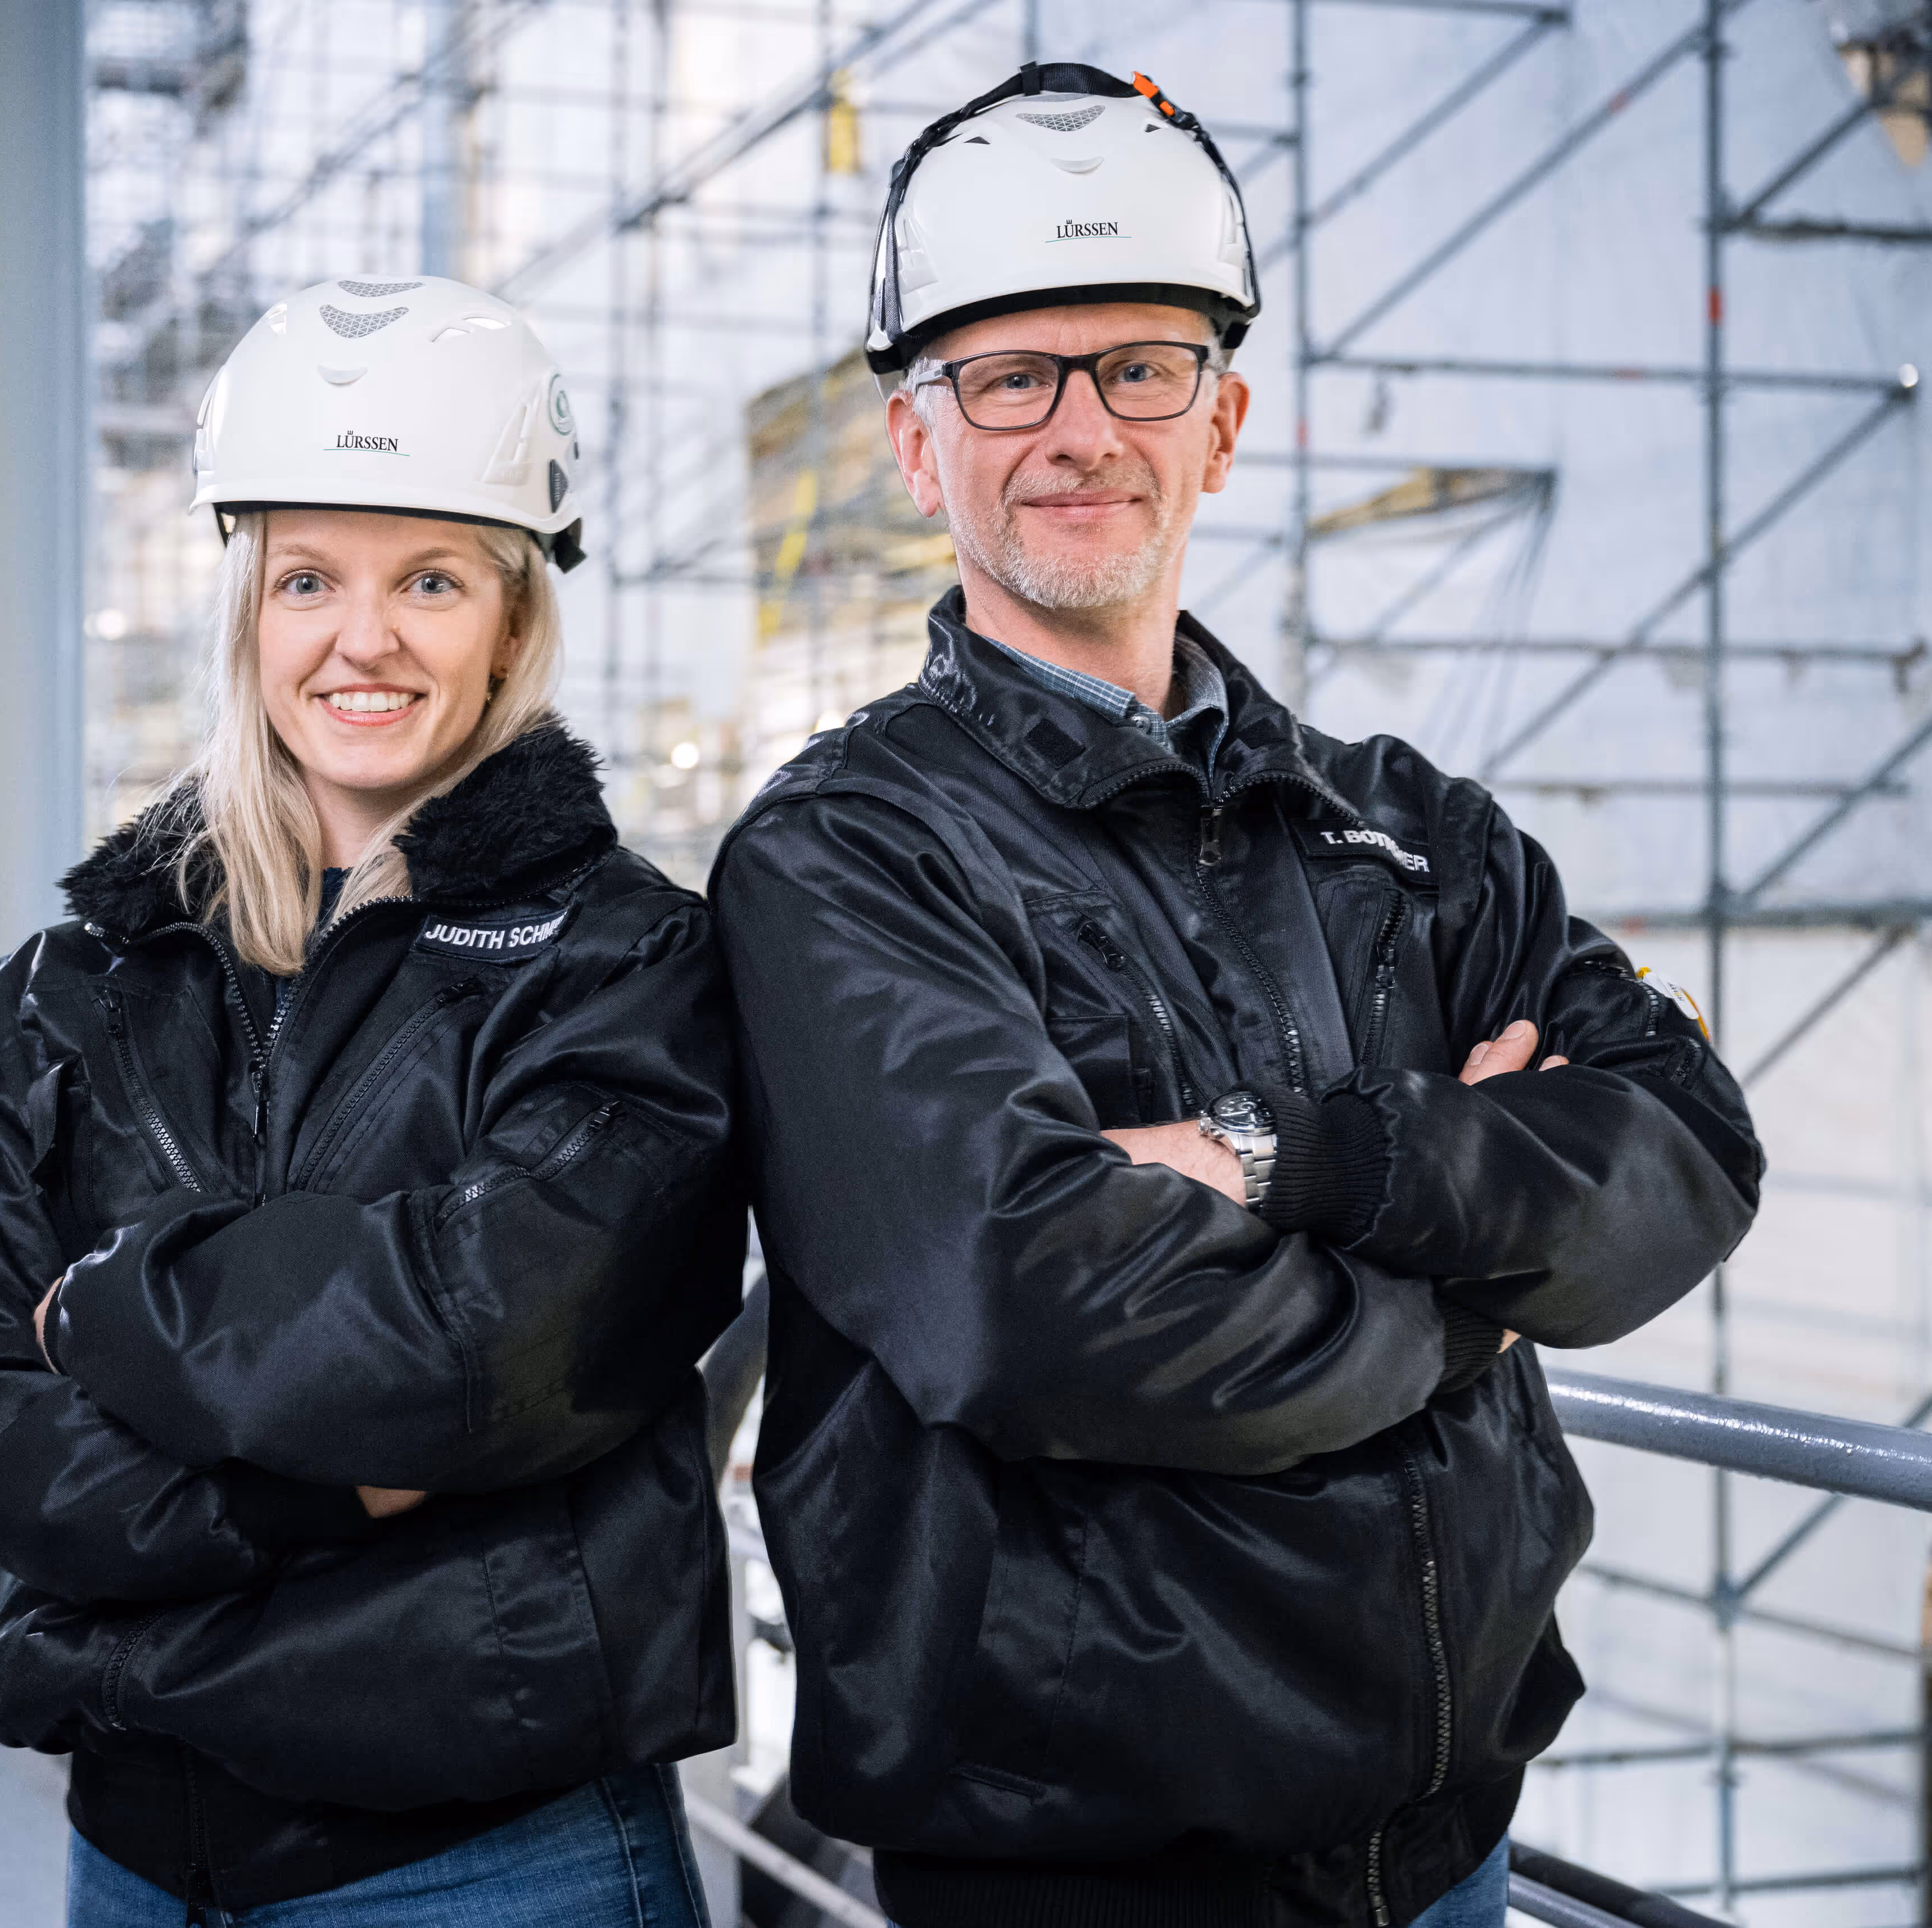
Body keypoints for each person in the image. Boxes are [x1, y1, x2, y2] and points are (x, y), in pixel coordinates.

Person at [708, 62, 1764, 1928]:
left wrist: (1294, 1160)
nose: (1079, 430)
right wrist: (1466, 1295)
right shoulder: (845, 856)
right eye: (1008, 378)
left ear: (1223, 419)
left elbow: (1684, 1145)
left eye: (1140, 368)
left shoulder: (1408, 829)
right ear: (917, 445)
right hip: (1077, 1866)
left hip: (1450, 1844)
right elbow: (1028, 1300)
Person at [0, 276, 744, 1928]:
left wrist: (112, 1309)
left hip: (494, 1864)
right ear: (247, 613)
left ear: (512, 622)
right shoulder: (82, 979)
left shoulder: (626, 966)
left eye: (430, 578)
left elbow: (488, 1350)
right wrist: (314, 1478)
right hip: (136, 1852)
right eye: (309, 579)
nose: (364, 639)